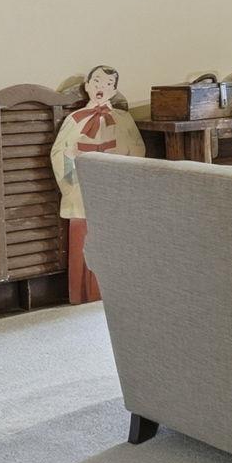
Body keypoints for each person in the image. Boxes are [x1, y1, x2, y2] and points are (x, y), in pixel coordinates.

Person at [48, 64, 143, 304]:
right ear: (88, 86)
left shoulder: (123, 119)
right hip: (82, 187)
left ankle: (116, 292)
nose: (102, 87)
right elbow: (59, 152)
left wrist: (125, 174)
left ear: (114, 90)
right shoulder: (74, 119)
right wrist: (71, 179)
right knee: (84, 239)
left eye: (109, 84)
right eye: (98, 82)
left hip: (115, 185)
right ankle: (82, 294)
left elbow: (137, 148)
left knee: (115, 239)